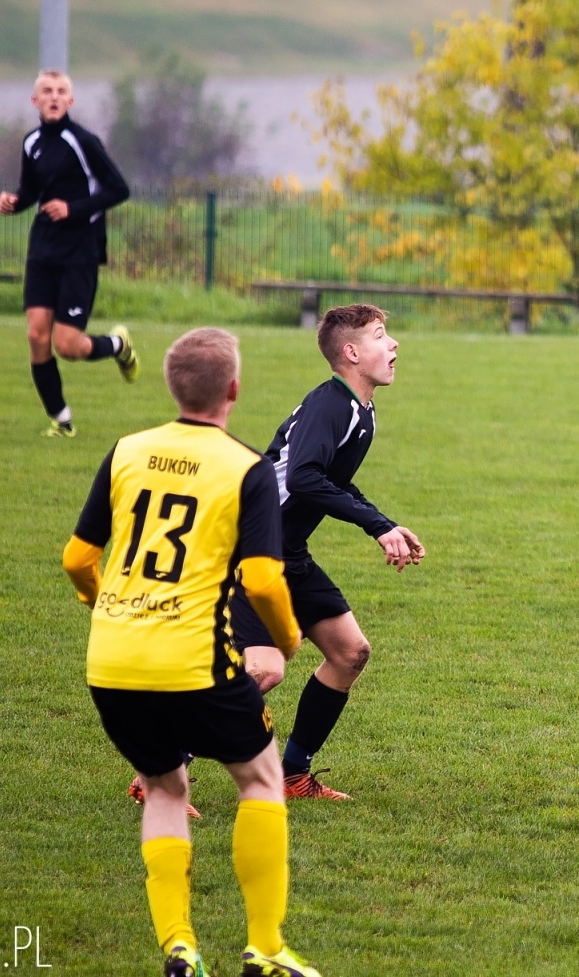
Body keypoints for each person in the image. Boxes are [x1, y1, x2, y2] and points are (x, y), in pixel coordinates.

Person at [62, 327, 322, 977]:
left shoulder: (127, 450)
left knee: (164, 788)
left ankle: (179, 948)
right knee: (261, 780)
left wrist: (104, 604)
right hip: (192, 658)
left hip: (112, 660)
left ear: (172, 386)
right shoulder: (246, 467)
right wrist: (288, 638)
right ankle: (265, 948)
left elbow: (77, 559)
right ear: (233, 389)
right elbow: (262, 579)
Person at [226, 303, 425, 800]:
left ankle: (293, 774)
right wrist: (376, 526)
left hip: (287, 552)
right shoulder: (331, 406)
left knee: (350, 652)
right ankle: (159, 772)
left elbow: (332, 482)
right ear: (352, 353)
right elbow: (303, 478)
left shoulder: (360, 410)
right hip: (253, 552)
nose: (393, 343)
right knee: (263, 671)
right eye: (380, 335)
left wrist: (386, 525)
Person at [0, 69, 137, 437]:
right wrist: (14, 201)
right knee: (36, 336)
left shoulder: (84, 142)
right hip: (43, 247)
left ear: (70, 101)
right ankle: (61, 421)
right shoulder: (31, 143)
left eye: (61, 91)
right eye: (47, 91)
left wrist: (72, 209)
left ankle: (118, 345)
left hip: (80, 250)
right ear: (35, 100)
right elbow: (31, 190)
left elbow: (119, 189)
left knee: (68, 345)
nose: (54, 97)